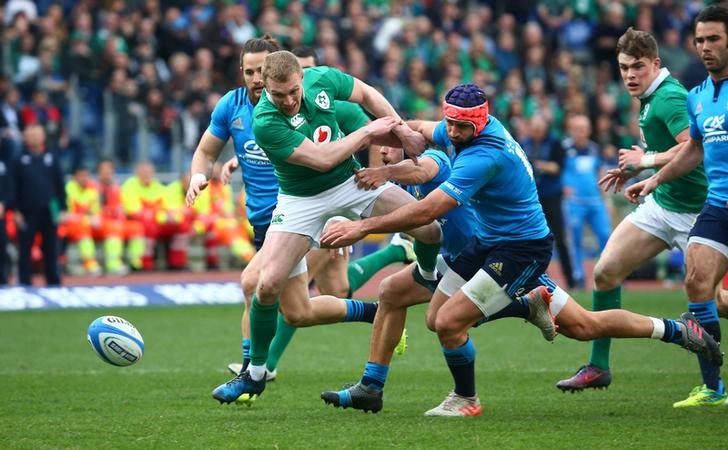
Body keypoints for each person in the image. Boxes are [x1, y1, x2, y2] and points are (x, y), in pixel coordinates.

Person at [319, 83, 722, 415]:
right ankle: (539, 307)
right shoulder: (457, 129)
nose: (453, 133)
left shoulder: (484, 155)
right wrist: (386, 132)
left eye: (461, 128)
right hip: (488, 244)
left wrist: (362, 226)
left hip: (520, 251)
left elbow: (430, 209)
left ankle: (467, 399)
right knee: (448, 319)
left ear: (480, 122)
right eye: (451, 125)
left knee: (456, 324)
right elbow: (424, 128)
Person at [187, 50, 442, 404]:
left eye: (293, 92)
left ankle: (428, 277)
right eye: (278, 95)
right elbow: (322, 161)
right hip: (300, 200)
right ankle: (255, 374)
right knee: (268, 287)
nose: (288, 101)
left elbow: (366, 94)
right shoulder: (264, 120)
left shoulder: (322, 79)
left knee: (429, 227)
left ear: (302, 79)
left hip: (349, 182)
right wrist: (371, 131)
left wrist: (399, 128)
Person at [557, 27, 709, 394]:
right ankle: (598, 366)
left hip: (698, 213)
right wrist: (637, 167)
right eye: (624, 67)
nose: (629, 75)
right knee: (606, 272)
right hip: (663, 204)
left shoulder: (670, 98)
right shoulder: (648, 97)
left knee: (713, 302)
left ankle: (711, 382)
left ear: (656, 64)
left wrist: (647, 161)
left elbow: (693, 148)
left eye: (638, 67)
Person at [626, 6, 728, 407]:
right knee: (696, 282)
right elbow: (694, 150)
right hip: (717, 203)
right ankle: (714, 388)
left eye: (714, 39)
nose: (705, 48)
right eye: (700, 40)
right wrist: (654, 179)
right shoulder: (699, 95)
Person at [522, 113, 575, 288]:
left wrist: (538, 165)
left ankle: (571, 280)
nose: (536, 132)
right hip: (532, 196)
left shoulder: (555, 143)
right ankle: (537, 280)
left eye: (539, 129)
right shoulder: (526, 143)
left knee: (559, 238)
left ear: (545, 129)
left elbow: (557, 168)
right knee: (532, 238)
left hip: (552, 196)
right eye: (534, 129)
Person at [561, 114, 611, 288]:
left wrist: (606, 200)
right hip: (574, 202)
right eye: (578, 128)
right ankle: (578, 277)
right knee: (575, 239)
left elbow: (601, 173)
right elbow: (557, 172)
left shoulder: (594, 149)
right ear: (571, 130)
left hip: (595, 202)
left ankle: (610, 274)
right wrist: (563, 188)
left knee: (606, 236)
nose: (581, 132)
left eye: (584, 129)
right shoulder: (564, 149)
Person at [11, 124, 65, 286]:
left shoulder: (51, 157)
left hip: (50, 211)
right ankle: (25, 282)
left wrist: (62, 209)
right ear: (25, 137)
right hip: (27, 212)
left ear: (43, 136)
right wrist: (15, 210)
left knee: (51, 249)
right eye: (31, 134)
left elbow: (59, 185)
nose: (34, 137)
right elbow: (13, 187)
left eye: (37, 134)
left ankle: (53, 282)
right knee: (25, 249)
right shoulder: (19, 159)